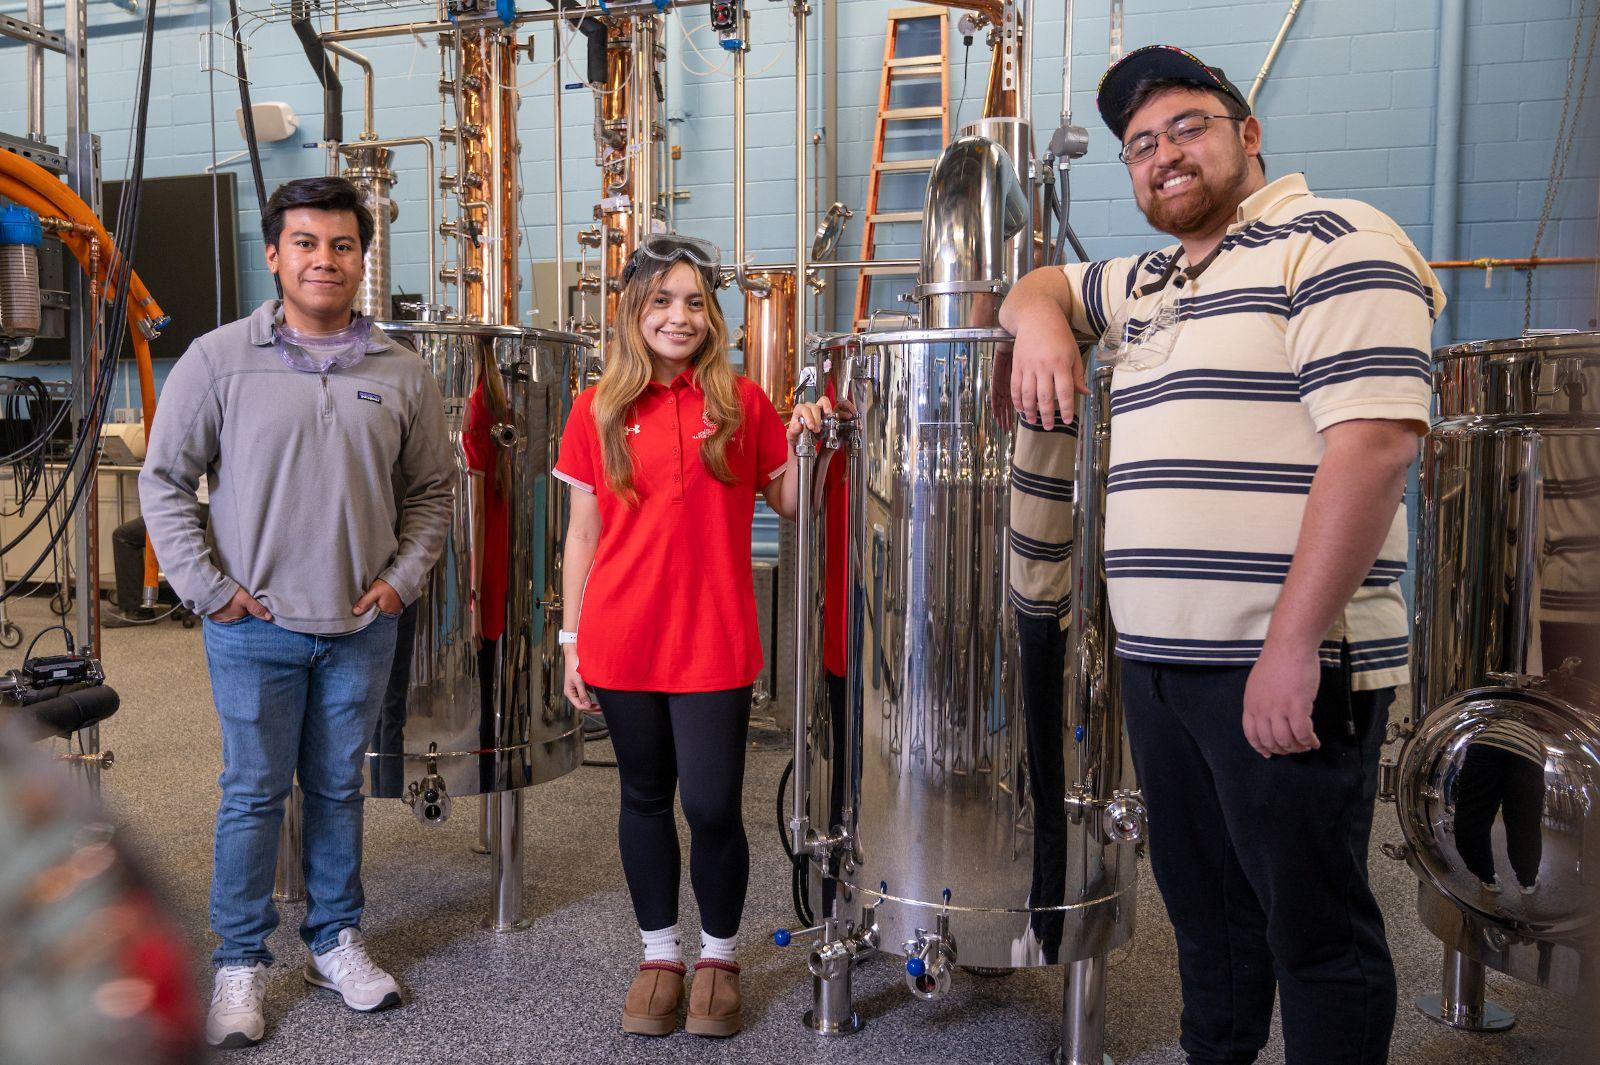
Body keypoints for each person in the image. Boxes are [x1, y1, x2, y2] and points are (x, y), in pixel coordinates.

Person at [999, 45, 1446, 1065]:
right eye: (1138, 145)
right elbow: (1038, 284)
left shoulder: (1337, 239)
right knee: (1205, 921)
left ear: (1248, 134)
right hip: (1160, 670)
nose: (1162, 155)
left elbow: (1372, 447)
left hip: (1284, 660)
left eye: (1186, 127)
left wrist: (1288, 647)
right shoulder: (1149, 278)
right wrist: (1041, 330)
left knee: (1314, 931)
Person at [139, 176, 454, 1049]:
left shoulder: (399, 371)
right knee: (251, 794)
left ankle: (333, 940)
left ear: (361, 257)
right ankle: (239, 961)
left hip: (360, 625)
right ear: (274, 255)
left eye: (342, 245)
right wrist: (209, 589)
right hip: (253, 627)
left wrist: (401, 581)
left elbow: (432, 492)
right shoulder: (217, 357)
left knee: (335, 788)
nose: (325, 260)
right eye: (306, 244)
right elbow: (164, 481)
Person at [552, 233, 830, 1039]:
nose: (680, 317)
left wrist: (809, 438)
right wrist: (573, 639)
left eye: (695, 303)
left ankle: (718, 954)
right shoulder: (596, 406)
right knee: (642, 795)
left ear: (714, 317)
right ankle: (659, 954)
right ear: (634, 312)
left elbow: (794, 505)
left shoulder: (742, 404)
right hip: (622, 637)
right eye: (662, 301)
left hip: (713, 638)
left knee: (711, 804)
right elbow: (581, 534)